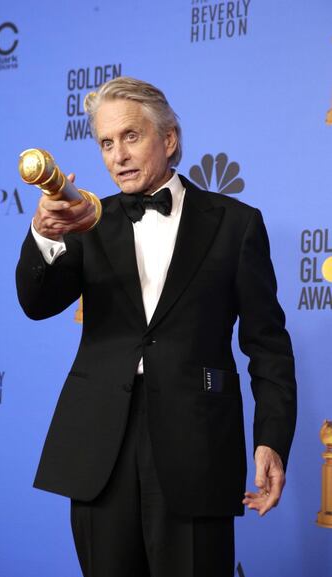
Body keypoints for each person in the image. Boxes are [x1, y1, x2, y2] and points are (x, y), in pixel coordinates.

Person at [16, 77, 297, 577]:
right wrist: (43, 235)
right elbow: (37, 304)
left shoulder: (235, 224)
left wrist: (272, 438)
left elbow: (268, 344)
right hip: (99, 447)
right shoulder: (87, 219)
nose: (117, 155)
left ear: (168, 140)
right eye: (106, 142)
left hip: (196, 446)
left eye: (131, 137)